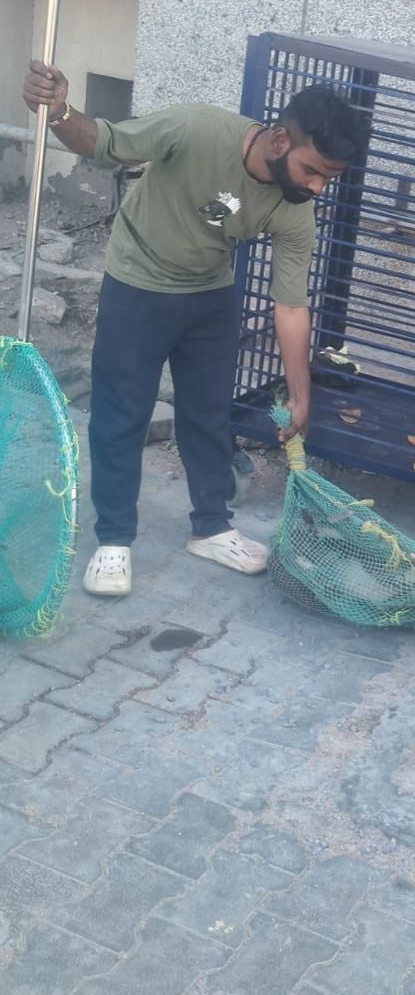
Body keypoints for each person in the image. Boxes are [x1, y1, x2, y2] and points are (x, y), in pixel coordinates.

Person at [22, 60, 365, 599]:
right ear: (280, 139)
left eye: (330, 178)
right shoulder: (197, 128)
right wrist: (60, 110)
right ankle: (113, 539)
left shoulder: (295, 210)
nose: (319, 188)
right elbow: (105, 143)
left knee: (207, 414)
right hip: (137, 282)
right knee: (121, 414)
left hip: (209, 294)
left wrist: (302, 397)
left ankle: (211, 527)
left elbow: (292, 307)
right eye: (313, 170)